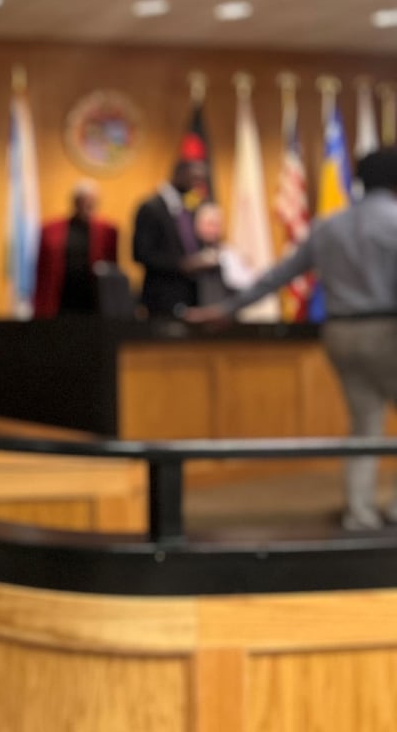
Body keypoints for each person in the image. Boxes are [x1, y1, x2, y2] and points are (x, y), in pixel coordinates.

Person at [187, 146, 397, 530]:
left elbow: (279, 275)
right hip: (387, 331)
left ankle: (359, 511)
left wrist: (228, 309)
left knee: (364, 423)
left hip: (338, 332)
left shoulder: (329, 225)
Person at [132, 159, 210, 315]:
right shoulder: (151, 208)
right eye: (195, 178)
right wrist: (181, 265)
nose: (198, 184)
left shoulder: (190, 207)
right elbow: (140, 253)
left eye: (201, 179)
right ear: (179, 174)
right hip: (162, 296)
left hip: (191, 294)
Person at [34, 179, 119, 317]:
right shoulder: (50, 230)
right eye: (84, 200)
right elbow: (42, 269)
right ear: (75, 201)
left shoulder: (107, 231)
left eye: (93, 201)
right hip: (61, 298)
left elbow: (112, 267)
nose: (89, 205)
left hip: (93, 299)